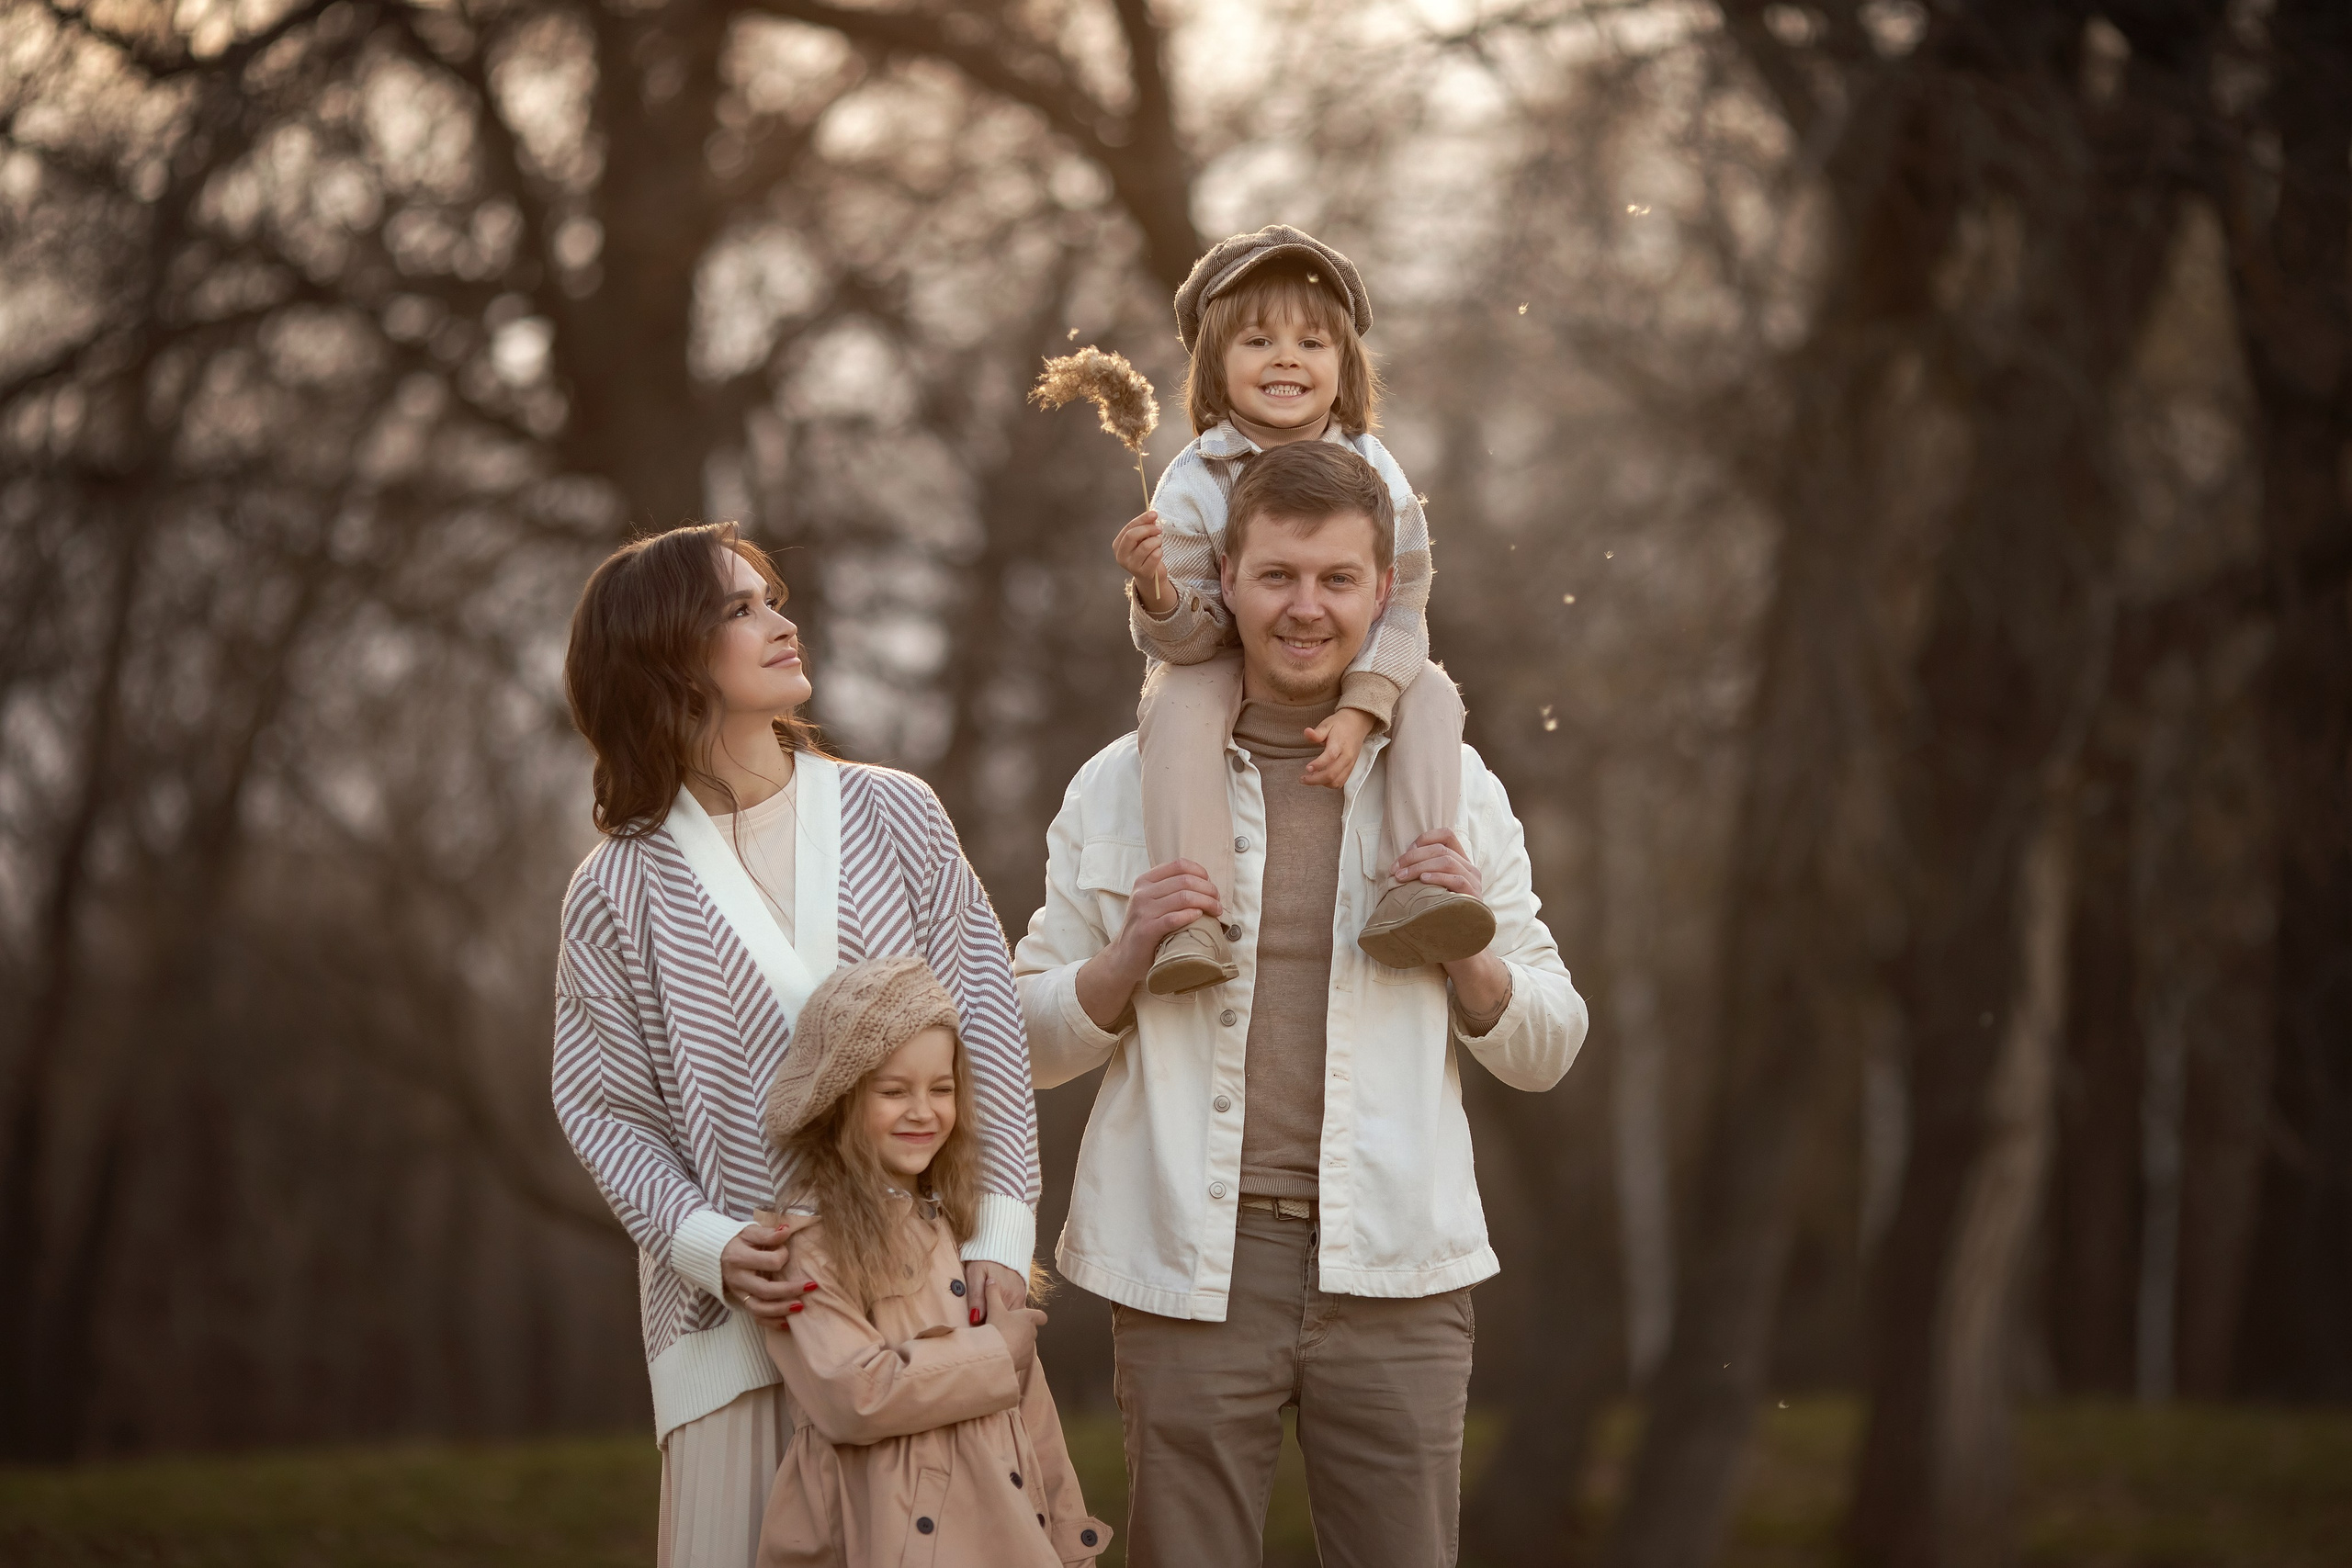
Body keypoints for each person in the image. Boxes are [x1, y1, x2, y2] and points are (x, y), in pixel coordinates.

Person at [1016, 440, 1589, 1566]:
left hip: (1398, 1268)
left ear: (1385, 591)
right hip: (1187, 1265)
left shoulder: (1453, 789)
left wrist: (1468, 955)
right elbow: (1021, 1041)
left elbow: (1549, 1043)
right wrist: (1126, 955)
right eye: (1277, 575)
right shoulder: (1120, 783)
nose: (1305, 609)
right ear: (1223, 577)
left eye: (1336, 580)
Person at [553, 524, 1041, 1568]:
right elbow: (602, 1106)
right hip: (738, 1337)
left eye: (770, 598)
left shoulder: (894, 813)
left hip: (925, 1318)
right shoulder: (617, 887)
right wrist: (707, 1247)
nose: (782, 622)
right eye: (739, 609)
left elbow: (986, 1028)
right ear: (665, 652)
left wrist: (1000, 1236)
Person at [1111, 222, 1494, 997]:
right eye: (1258, 340)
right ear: (1216, 365)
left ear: (1344, 366)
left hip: (1356, 663)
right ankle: (1194, 912)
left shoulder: (1377, 471)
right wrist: (1158, 593)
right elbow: (1193, 641)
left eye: (1312, 343)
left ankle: (1416, 882)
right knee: (1178, 700)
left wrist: (1363, 706)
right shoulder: (1193, 481)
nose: (1286, 357)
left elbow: (1405, 603)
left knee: (1434, 693)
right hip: (1225, 661)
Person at [746, 955, 1111, 1567]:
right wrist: (995, 1351)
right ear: (838, 1099)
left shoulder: (965, 1236)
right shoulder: (806, 1244)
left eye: (941, 1088)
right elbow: (852, 1395)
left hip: (1004, 1529)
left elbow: (1033, 1420)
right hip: (882, 1536)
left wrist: (1069, 1535)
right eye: (894, 1091)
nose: (923, 1110)